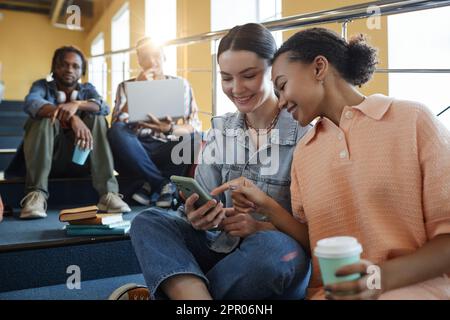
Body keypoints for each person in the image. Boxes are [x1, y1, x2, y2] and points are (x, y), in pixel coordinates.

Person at [214, 28, 450, 300]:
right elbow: (312, 241)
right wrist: (266, 205)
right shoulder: (306, 151)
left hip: (416, 291)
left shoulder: (412, 120)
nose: (279, 102)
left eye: (282, 85)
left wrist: (377, 280)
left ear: (319, 67)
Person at [109, 23, 311, 300]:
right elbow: (205, 208)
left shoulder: (304, 131)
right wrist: (199, 217)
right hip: (222, 249)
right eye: (226, 78)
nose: (236, 88)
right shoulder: (222, 129)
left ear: (274, 70)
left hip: (273, 259)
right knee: (148, 221)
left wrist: (260, 227)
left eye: (248, 75)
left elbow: (318, 234)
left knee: (273, 250)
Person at [19, 46, 130, 219]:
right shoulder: (42, 86)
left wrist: (77, 105)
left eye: (75, 66)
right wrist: (73, 118)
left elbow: (103, 106)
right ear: (55, 67)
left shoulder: (87, 89)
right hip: (48, 161)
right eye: (64, 65)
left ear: (81, 71)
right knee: (42, 118)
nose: (70, 69)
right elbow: (32, 103)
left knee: (98, 118)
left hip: (82, 159)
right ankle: (36, 195)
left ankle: (109, 194)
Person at [107, 37, 202, 208]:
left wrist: (170, 128)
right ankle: (162, 184)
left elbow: (193, 125)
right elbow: (117, 124)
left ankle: (148, 185)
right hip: (135, 149)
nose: (151, 61)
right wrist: (137, 89)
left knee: (194, 137)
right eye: (145, 57)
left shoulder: (181, 85)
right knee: (116, 130)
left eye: (156, 55)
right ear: (139, 60)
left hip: (166, 146)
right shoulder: (125, 86)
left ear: (164, 56)